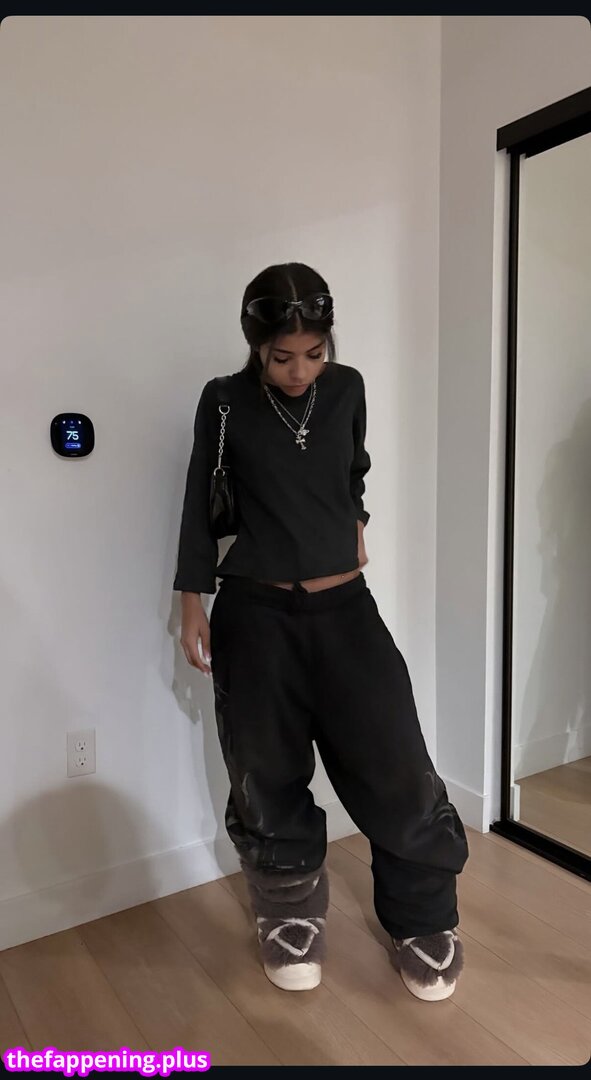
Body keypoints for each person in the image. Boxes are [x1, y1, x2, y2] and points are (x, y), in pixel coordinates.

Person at [173, 262, 469, 1000]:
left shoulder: (347, 389)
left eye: (313, 353)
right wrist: (190, 599)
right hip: (256, 613)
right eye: (282, 357)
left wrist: (356, 518)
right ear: (256, 344)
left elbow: (353, 469)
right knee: (265, 771)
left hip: (346, 610)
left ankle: (422, 918)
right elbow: (198, 500)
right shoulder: (224, 401)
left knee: (395, 763)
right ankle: (289, 914)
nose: (300, 370)